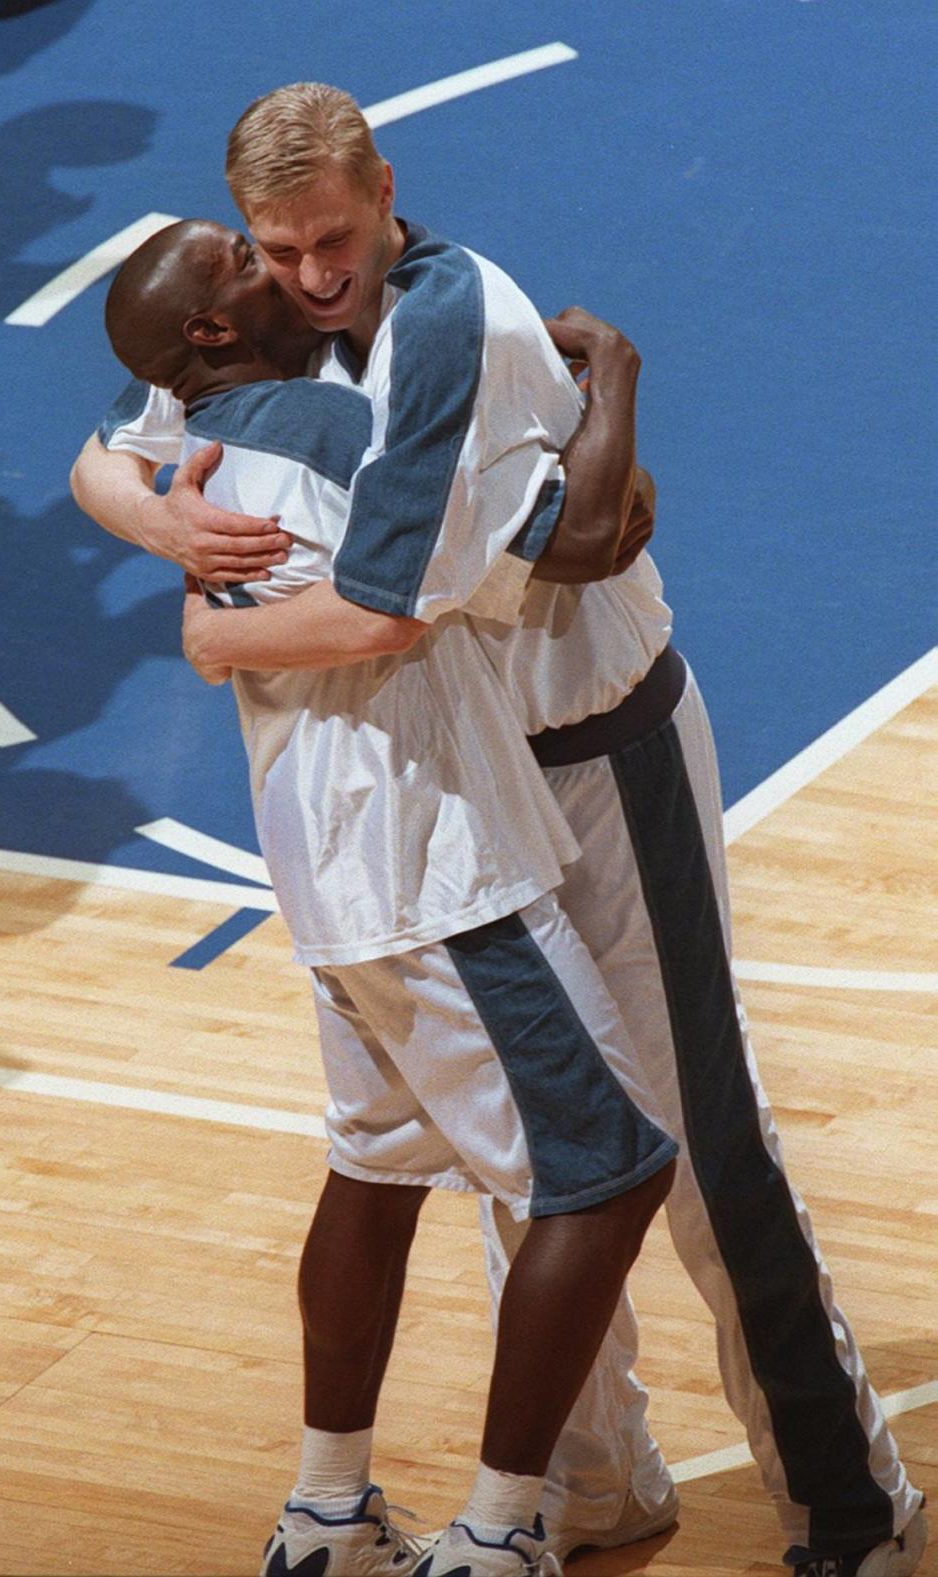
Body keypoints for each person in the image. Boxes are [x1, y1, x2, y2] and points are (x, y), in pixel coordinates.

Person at [71, 86, 927, 1577]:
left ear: (381, 194)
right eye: (280, 249)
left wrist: (219, 643)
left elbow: (596, 533)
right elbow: (110, 448)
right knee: (520, 1163)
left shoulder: (460, 326)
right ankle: (589, 1488)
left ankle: (840, 1496)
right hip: (455, 787)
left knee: (699, 1135)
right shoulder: (258, 324)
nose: (313, 271)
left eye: (332, 238)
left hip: (602, 755)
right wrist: (167, 530)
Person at [102, 218, 678, 1577]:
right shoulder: (322, 426)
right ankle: (494, 1532)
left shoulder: (191, 449)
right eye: (244, 261)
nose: (291, 269)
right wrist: (610, 387)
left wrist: (200, 622)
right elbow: (588, 531)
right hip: (436, 860)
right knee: (607, 1177)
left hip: (322, 861)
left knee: (374, 1167)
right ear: (209, 329)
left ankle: (325, 1514)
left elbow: (104, 460)